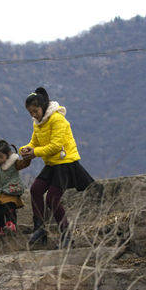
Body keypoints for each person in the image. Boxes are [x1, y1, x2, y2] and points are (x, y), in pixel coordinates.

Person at [19, 87, 94, 247]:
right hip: (52, 164)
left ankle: (66, 235)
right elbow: (34, 143)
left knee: (53, 198)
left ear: (43, 106)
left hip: (66, 163)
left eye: (35, 111)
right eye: (30, 112)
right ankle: (40, 228)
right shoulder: (38, 123)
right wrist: (24, 149)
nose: (33, 115)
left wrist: (34, 153)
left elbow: (55, 146)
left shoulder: (57, 119)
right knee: (35, 190)